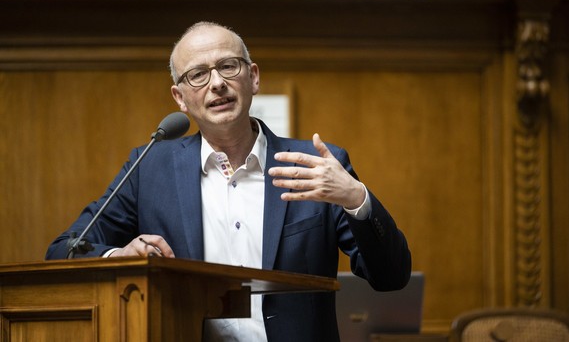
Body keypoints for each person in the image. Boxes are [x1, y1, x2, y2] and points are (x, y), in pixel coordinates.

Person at [46, 21, 411, 342]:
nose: (217, 83)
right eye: (197, 75)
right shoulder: (149, 168)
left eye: (228, 66)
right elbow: (64, 250)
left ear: (253, 76)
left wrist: (356, 198)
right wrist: (119, 256)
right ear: (181, 98)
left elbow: (391, 277)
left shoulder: (316, 166)